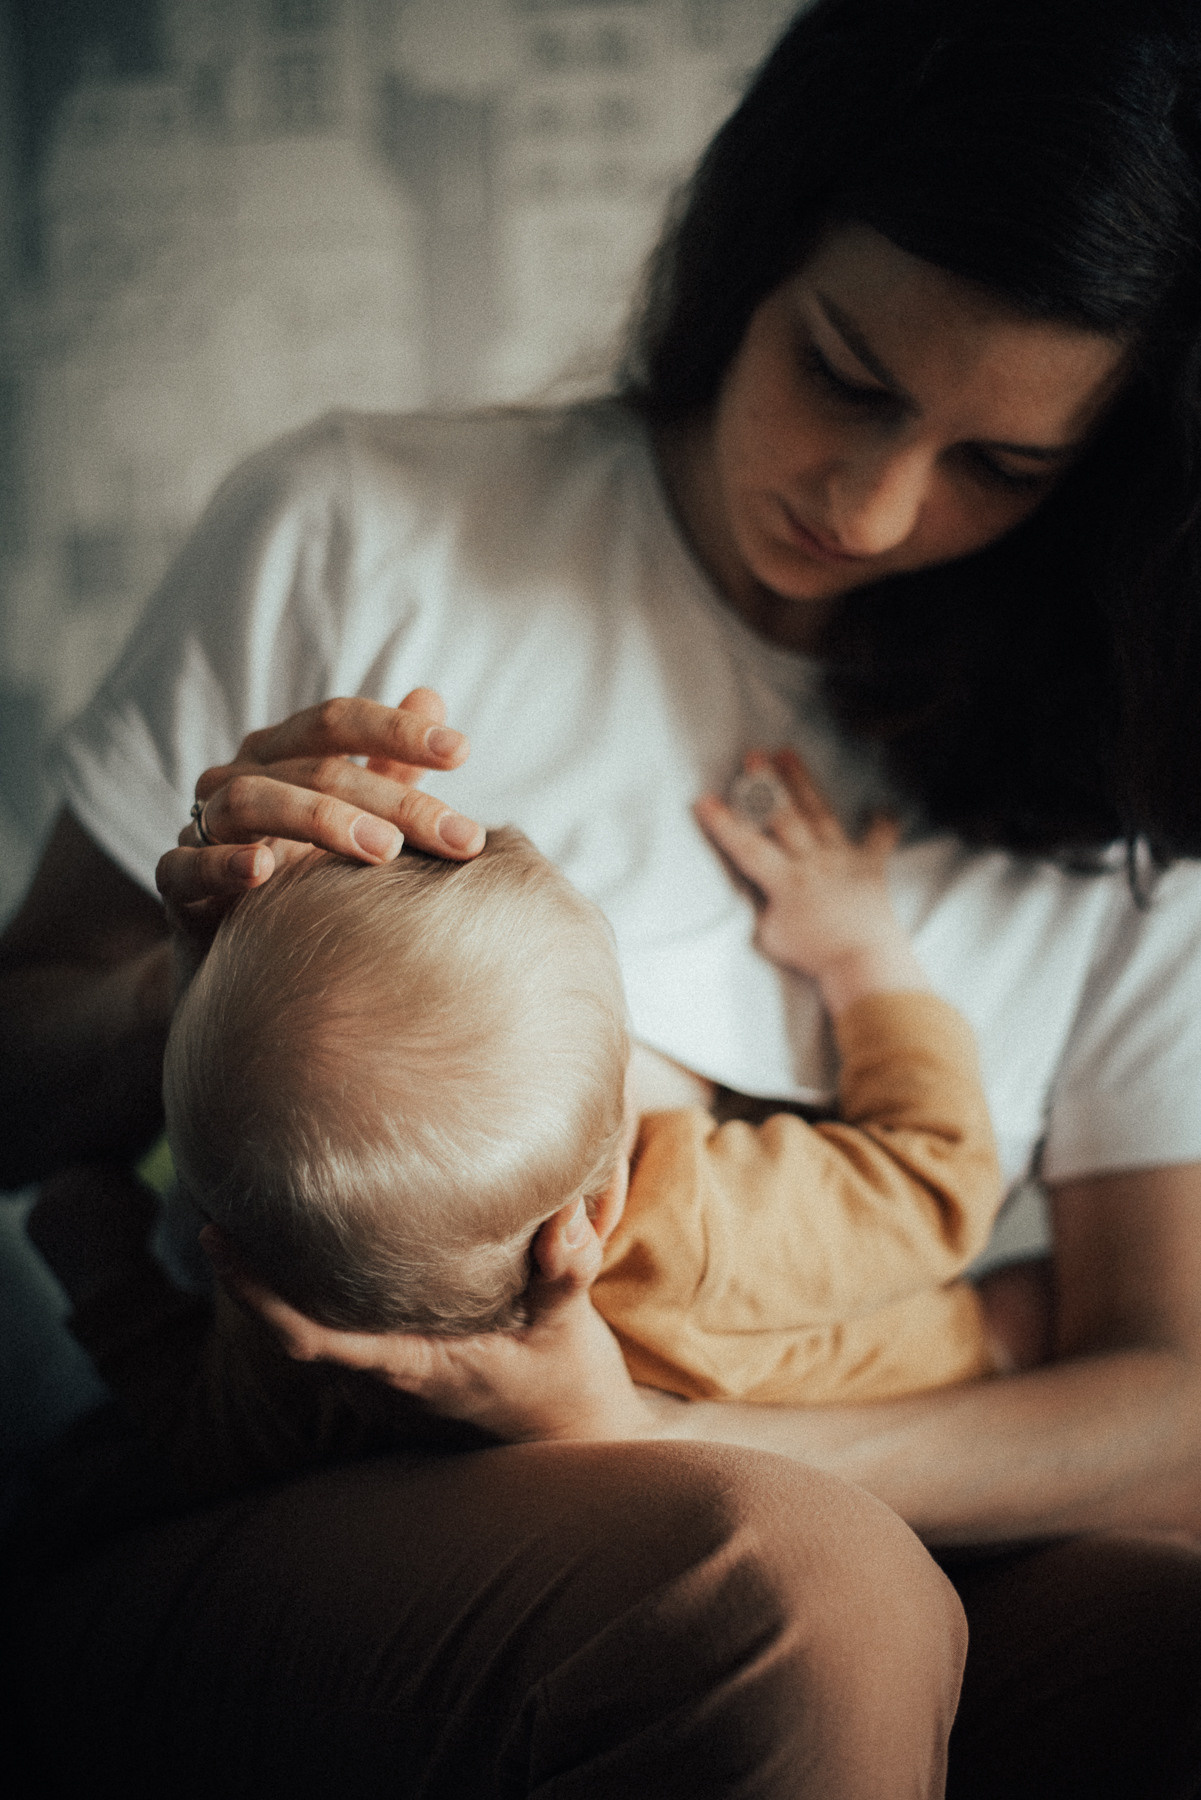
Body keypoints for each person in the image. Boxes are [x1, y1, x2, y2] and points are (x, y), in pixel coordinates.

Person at [6, 0, 1201, 1793]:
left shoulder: (1125, 772)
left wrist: (629, 1429)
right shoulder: (363, 531)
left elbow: (1171, 1402)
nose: (875, 507)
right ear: (753, 245)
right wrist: (198, 1000)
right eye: (846, 375)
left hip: (878, 1523)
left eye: (1000, 466)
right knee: (800, 1601)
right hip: (312, 1511)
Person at [39, 784, 1013, 1506]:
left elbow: (207, 1438)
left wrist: (107, 1276)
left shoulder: (305, 1345)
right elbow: (938, 1179)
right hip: (938, 1388)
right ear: (598, 1207)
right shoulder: (703, 1223)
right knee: (1021, 1320)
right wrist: (858, 954)